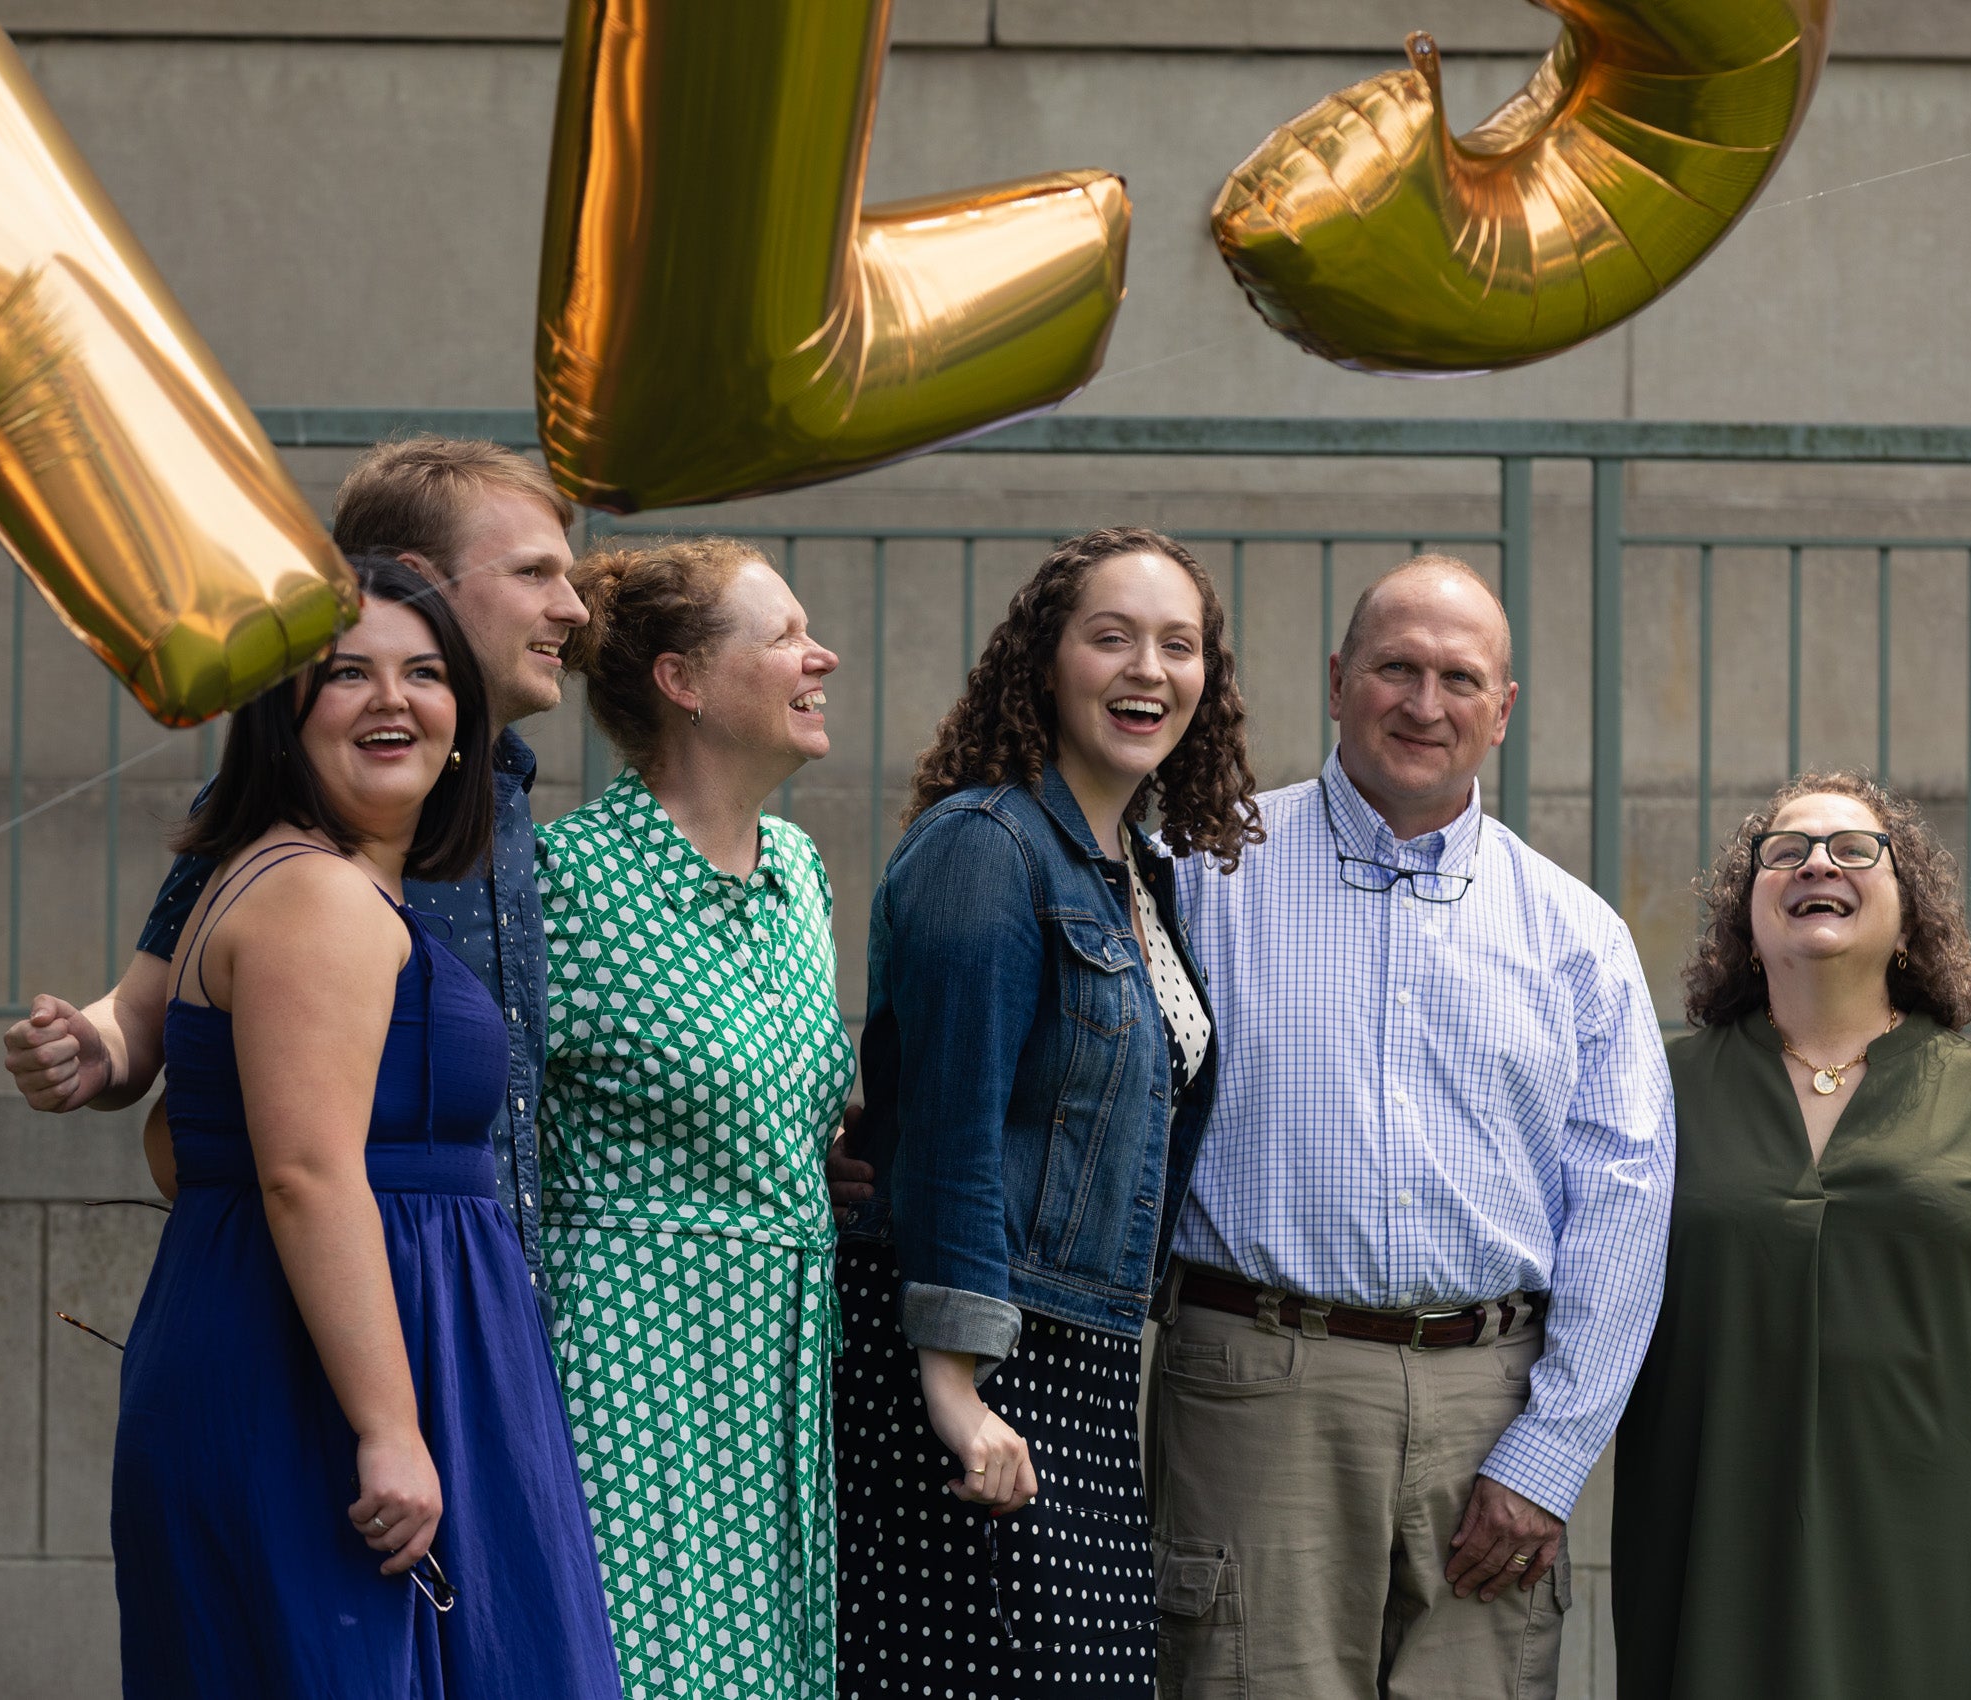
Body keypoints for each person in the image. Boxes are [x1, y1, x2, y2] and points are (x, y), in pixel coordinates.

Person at [1155, 554, 1675, 1699]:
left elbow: (1625, 1211)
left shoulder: (1575, 935)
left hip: (1490, 1406)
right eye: (1396, 667)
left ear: (1504, 708)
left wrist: (1548, 1456)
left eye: (1458, 676)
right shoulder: (1201, 871)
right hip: (1257, 1394)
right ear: (1339, 679)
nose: (1424, 703)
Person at [112, 554, 619, 1698]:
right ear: (282, 719)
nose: (394, 698)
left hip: (380, 1354)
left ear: (462, 718)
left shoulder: (330, 884)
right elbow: (302, 1171)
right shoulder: (316, 893)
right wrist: (389, 1427)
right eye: (348, 673)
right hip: (326, 1387)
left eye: (426, 673)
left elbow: (195, 1144)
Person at [0, 437, 582, 1296]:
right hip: (347, 1301)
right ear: (419, 578)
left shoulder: (508, 793)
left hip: (479, 1290)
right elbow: (145, 1012)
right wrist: (97, 1049)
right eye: (534, 573)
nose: (573, 607)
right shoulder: (286, 806)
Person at [833, 526, 1260, 1699]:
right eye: (1110, 636)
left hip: (1080, 1359)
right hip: (972, 1353)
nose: (1147, 670)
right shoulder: (986, 846)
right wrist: (954, 1383)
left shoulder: (1141, 875)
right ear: (1044, 659)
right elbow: (956, 1126)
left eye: (1179, 646)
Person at [1611, 772, 1971, 1699]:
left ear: (1908, 906)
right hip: (1714, 1548)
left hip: (1933, 1559)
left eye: (1855, 850)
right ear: (1747, 909)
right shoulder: (1657, 1091)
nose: (1818, 862)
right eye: (1786, 850)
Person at [533, 538, 855, 1700]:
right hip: (631, 1363)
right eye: (781, 636)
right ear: (684, 680)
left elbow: (772, 1105)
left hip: (777, 1360)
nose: (820, 654)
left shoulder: (802, 872)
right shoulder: (565, 878)